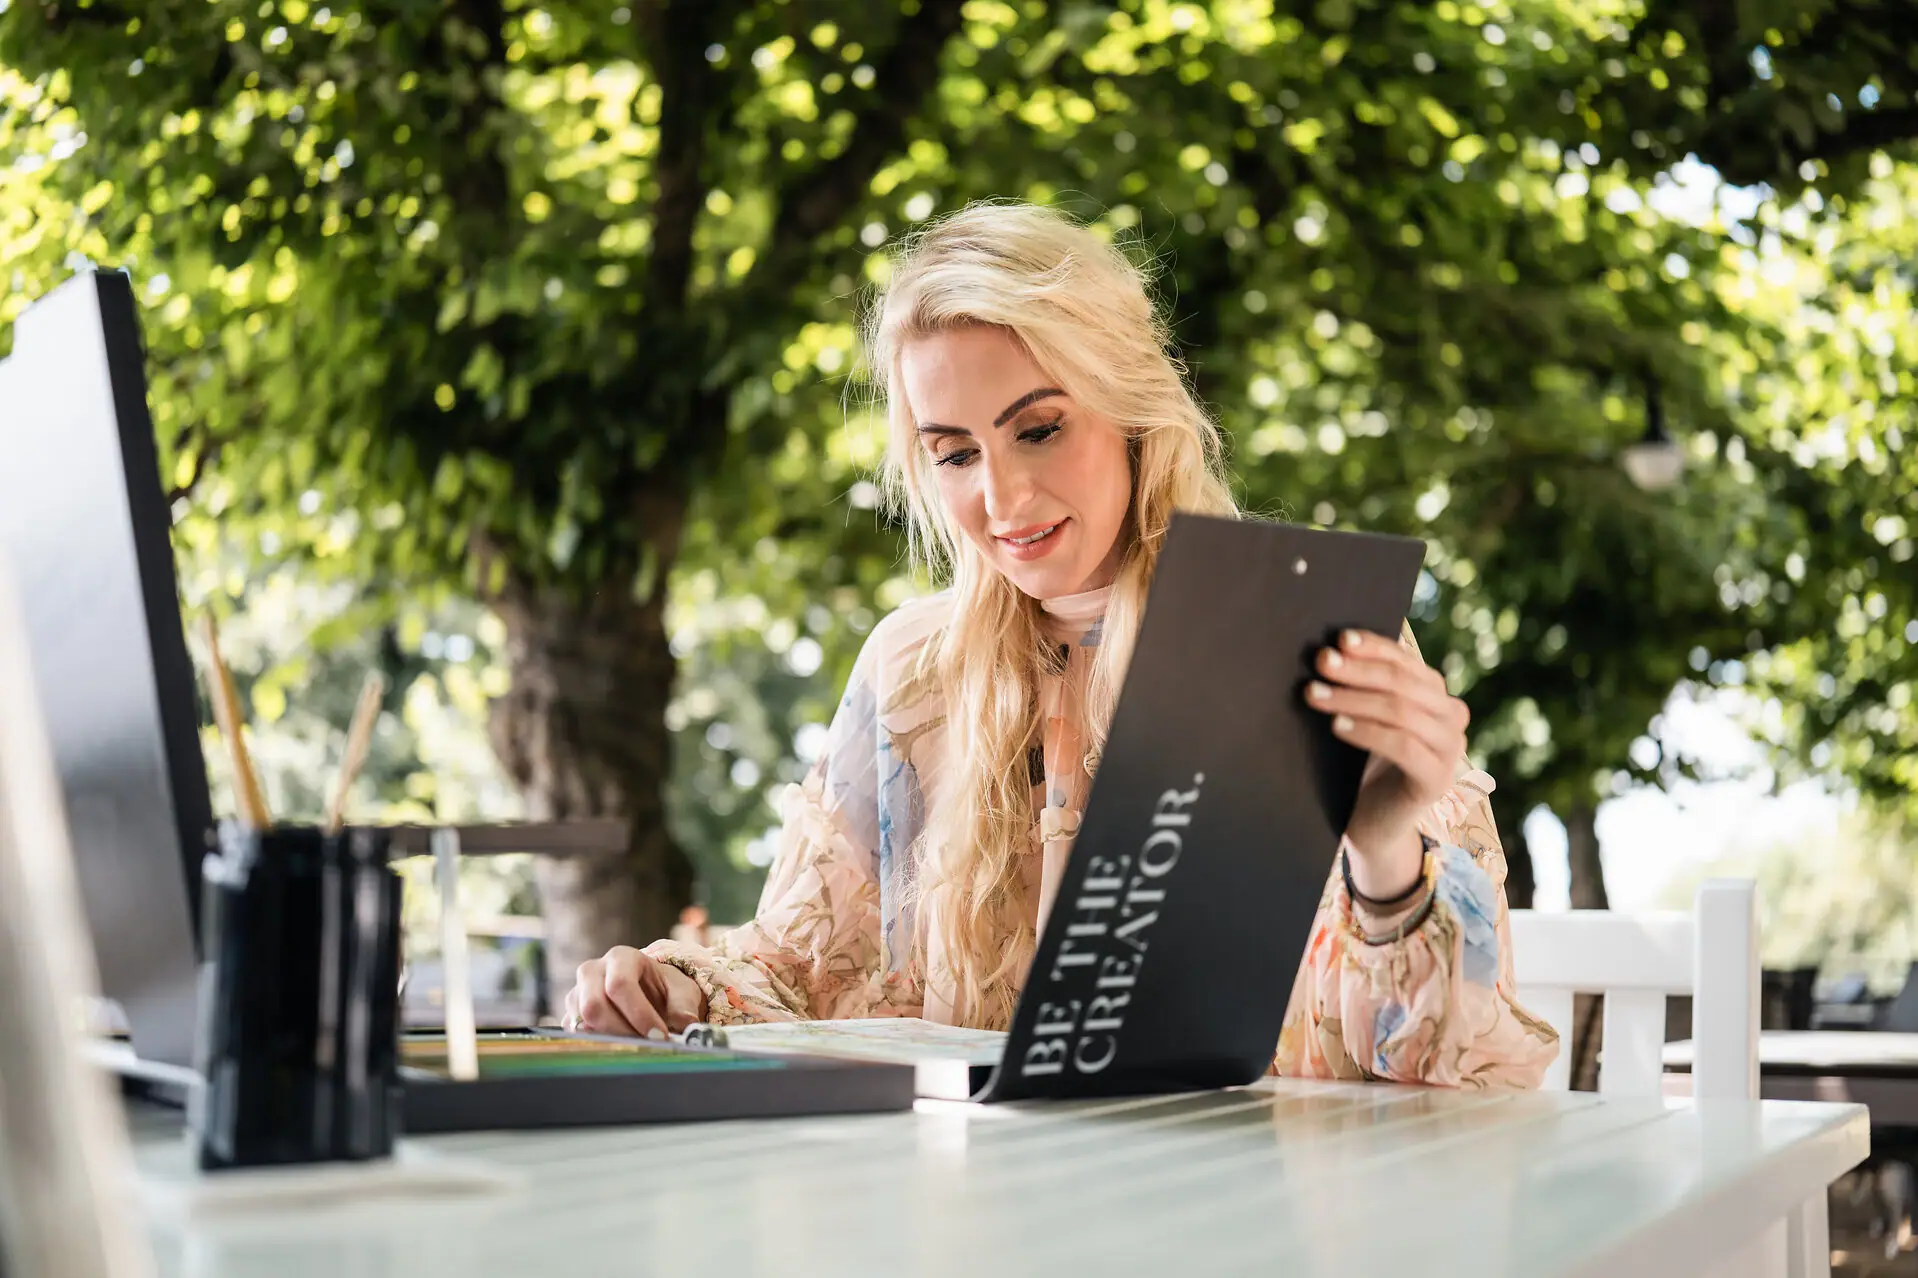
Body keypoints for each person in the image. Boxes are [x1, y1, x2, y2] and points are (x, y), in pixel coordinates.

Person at [564, 202, 1559, 1087]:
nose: (1001, 500)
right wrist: (669, 991)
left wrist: (1384, 848)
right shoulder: (912, 672)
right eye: (955, 453)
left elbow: (1461, 1064)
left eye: (1037, 430)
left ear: (1129, 409)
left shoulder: (1302, 633)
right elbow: (795, 973)